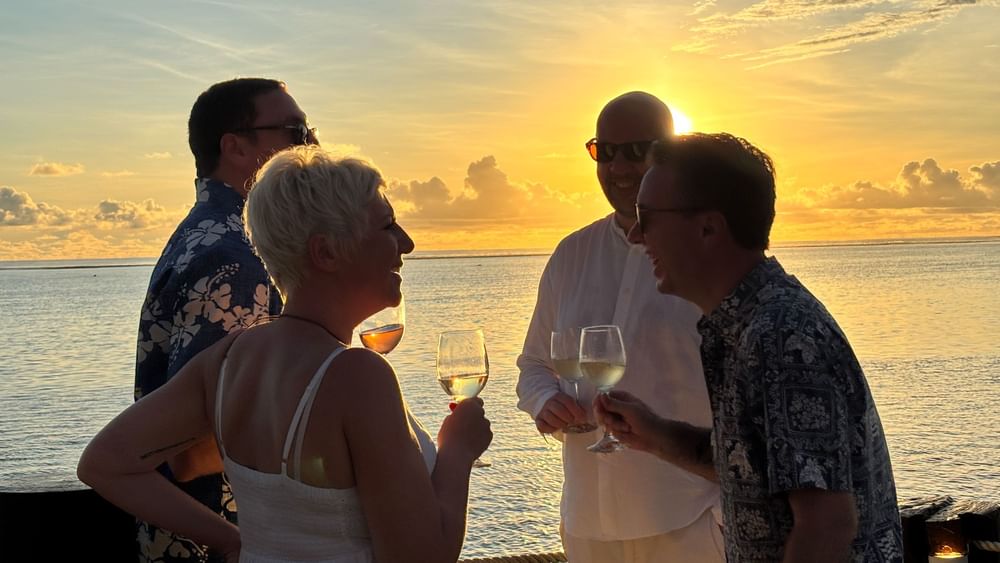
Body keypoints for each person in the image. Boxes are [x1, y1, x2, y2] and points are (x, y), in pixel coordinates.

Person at [79, 146, 493, 562]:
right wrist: (457, 452)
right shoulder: (357, 375)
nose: (408, 243)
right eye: (387, 227)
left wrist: (232, 539)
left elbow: (105, 462)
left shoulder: (227, 360)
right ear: (326, 252)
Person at [597, 132, 904, 562]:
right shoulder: (744, 327)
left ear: (708, 227)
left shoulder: (781, 338)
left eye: (646, 218)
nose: (635, 236)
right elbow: (756, 469)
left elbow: (827, 525)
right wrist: (654, 433)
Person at [516, 92, 724, 563]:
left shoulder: (707, 254)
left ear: (670, 151)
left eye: (636, 150)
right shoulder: (571, 256)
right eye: (605, 152)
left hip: (689, 521)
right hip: (588, 525)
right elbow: (533, 363)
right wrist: (544, 402)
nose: (619, 166)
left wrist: (724, 520)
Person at [129, 77, 320, 562]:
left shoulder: (210, 236)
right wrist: (336, 431)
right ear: (235, 147)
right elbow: (191, 451)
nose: (313, 145)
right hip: (222, 542)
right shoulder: (233, 258)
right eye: (295, 131)